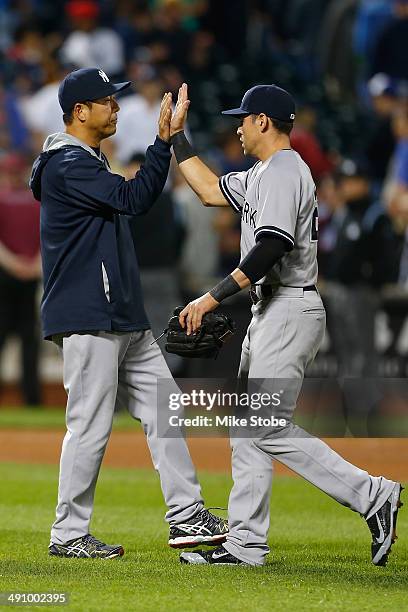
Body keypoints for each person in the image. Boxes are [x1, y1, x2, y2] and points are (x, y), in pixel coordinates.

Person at [166, 83, 403, 567]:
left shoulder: (286, 172)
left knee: (264, 425)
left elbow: (272, 246)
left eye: (244, 117)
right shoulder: (262, 173)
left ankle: (372, 494)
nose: (237, 125)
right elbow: (211, 189)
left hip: (290, 306)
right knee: (248, 428)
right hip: (270, 308)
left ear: (264, 122)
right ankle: (247, 544)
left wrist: (211, 298)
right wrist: (176, 138)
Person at [29, 67, 227, 559]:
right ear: (80, 111)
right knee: (91, 425)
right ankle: (68, 533)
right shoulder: (65, 164)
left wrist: (162, 144)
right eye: (107, 101)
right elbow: (134, 199)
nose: (116, 107)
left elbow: (131, 201)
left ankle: (187, 516)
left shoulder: (87, 159)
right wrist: (163, 142)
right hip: (87, 314)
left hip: (121, 314)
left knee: (165, 411)